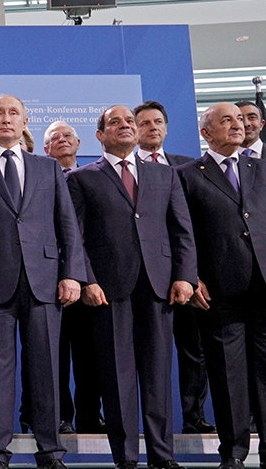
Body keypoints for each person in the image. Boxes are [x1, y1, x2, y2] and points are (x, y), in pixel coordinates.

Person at [0, 94, 86, 469]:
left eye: (13, 113)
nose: (6, 119)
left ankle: (51, 451)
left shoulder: (48, 168)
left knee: (47, 371)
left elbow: (67, 225)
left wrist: (72, 273)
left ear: (24, 122)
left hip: (44, 281)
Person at [66, 105, 196, 469]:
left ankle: (162, 456)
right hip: (109, 291)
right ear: (99, 135)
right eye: (115, 122)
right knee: (118, 377)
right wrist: (87, 280)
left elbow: (181, 230)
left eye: (129, 122)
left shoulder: (164, 176)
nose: (124, 126)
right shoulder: (81, 178)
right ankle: (125, 458)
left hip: (158, 287)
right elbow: (75, 238)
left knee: (157, 376)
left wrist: (185, 275)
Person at [176, 103, 266, 469]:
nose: (238, 124)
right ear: (206, 132)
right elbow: (181, 231)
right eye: (226, 119)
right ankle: (233, 451)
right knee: (228, 375)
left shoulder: (260, 167)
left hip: (263, 285)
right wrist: (190, 275)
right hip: (218, 290)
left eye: (241, 119)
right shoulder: (187, 175)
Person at [133, 100, 214, 435]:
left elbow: (194, 227)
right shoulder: (119, 170)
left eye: (158, 122)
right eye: (145, 123)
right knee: (148, 357)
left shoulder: (190, 168)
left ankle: (194, 417)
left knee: (193, 349)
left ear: (166, 127)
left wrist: (192, 274)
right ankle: (151, 428)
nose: (153, 127)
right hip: (142, 279)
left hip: (186, 277)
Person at [40, 120, 104, 435]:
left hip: (90, 277)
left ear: (79, 144)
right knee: (55, 354)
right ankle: (61, 417)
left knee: (90, 352)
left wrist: (86, 275)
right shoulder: (38, 181)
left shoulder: (94, 179)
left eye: (68, 135)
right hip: (50, 279)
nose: (62, 140)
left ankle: (91, 416)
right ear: (45, 149)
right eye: (55, 137)